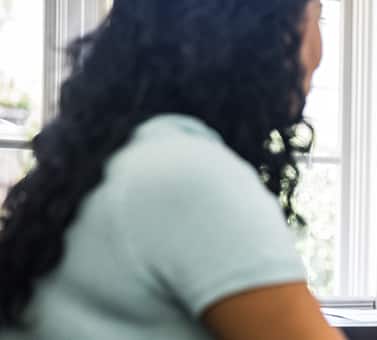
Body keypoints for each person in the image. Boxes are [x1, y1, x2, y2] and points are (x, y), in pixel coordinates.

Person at [0, 0, 344, 339]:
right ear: (265, 33)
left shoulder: (124, 155)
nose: (320, 51)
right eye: (316, 17)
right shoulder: (192, 176)